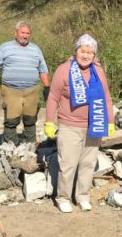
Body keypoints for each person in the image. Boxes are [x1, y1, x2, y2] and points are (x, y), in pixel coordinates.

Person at [44, 34, 115, 213]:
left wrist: (110, 120)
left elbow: (106, 96)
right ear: (76, 51)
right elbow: (53, 98)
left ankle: (82, 196)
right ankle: (63, 197)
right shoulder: (64, 70)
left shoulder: (97, 71)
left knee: (88, 163)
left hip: (94, 124)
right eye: (82, 51)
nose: (85, 55)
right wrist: (49, 122)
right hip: (70, 126)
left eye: (90, 52)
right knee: (68, 164)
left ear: (94, 55)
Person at [0, 21, 50, 145]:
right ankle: (12, 147)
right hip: (12, 90)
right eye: (23, 32)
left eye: (28, 33)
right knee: (11, 121)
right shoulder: (5, 47)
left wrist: (47, 87)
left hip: (32, 90)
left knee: (30, 119)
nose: (25, 36)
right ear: (16, 33)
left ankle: (30, 145)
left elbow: (43, 69)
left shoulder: (35, 49)